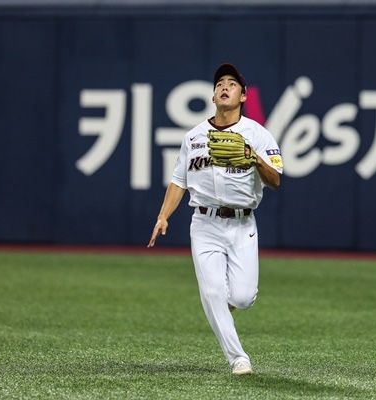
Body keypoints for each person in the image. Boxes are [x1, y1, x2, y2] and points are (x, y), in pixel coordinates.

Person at [147, 63, 283, 375]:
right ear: (212, 96)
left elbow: (275, 180)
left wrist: (254, 158)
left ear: (243, 96)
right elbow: (179, 181)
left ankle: (222, 305)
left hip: (242, 223)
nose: (225, 87)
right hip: (205, 223)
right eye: (220, 83)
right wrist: (163, 216)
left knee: (243, 298)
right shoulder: (194, 136)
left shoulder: (258, 134)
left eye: (232, 84)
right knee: (212, 293)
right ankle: (238, 358)